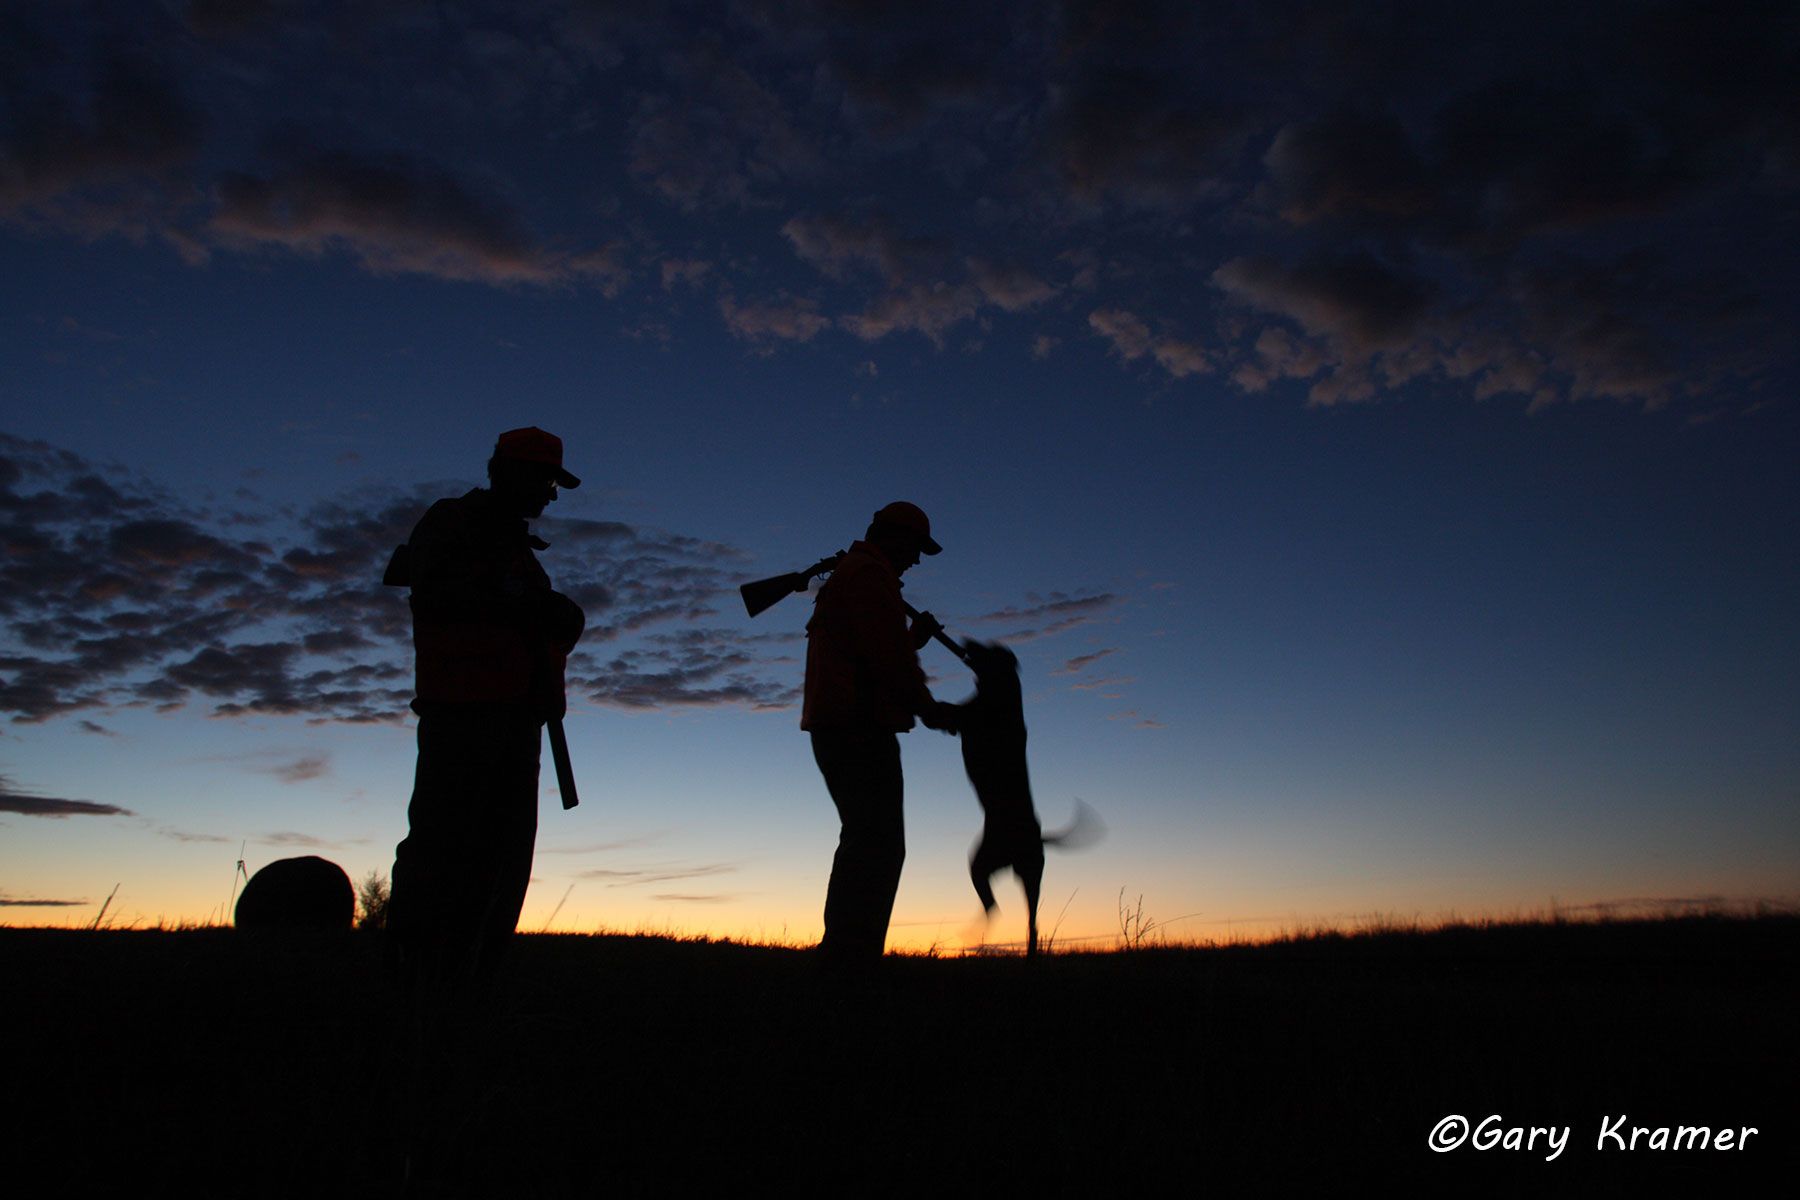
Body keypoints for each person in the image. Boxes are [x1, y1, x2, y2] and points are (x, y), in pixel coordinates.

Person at [386, 426, 585, 987]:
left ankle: (469, 983)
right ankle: (414, 976)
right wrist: (535, 605)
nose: (550, 494)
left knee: (500, 866)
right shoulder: (454, 523)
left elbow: (544, 623)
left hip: (517, 723)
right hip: (465, 718)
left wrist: (553, 614)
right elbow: (441, 596)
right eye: (546, 480)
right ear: (507, 471)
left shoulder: (513, 546)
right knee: (444, 851)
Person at [802, 501, 958, 965]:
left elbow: (870, 649)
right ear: (891, 536)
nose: (915, 559)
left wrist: (912, 638)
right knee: (878, 844)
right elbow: (886, 661)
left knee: (865, 839)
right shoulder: (870, 576)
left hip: (842, 723)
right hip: (858, 727)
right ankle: (853, 958)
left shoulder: (859, 574)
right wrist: (928, 707)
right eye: (914, 547)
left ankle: (845, 953)